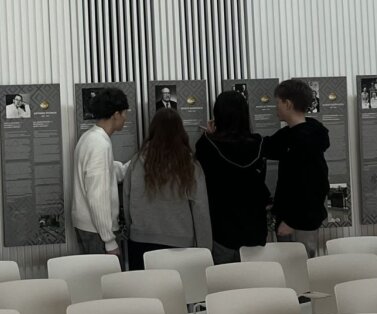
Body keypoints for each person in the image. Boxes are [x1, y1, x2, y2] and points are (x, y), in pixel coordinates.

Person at [123, 108, 211, 269]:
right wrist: (205, 248)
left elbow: (127, 200)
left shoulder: (136, 162)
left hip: (141, 242)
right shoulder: (190, 165)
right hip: (180, 244)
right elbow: (200, 208)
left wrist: (133, 231)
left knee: (144, 285)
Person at [195, 91, 270, 264]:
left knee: (224, 279)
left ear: (218, 115)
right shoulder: (258, 144)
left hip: (222, 229)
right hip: (254, 229)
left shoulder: (207, 146)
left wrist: (208, 136)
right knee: (257, 279)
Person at [263, 79, 329, 257]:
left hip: (299, 224)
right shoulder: (289, 135)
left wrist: (292, 222)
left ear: (288, 104)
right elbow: (266, 146)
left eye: (278, 102)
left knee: (299, 267)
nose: (276, 107)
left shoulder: (307, 140)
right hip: (290, 220)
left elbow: (314, 187)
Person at [72, 86, 129, 263]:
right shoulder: (99, 144)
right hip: (97, 232)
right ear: (116, 114)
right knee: (107, 278)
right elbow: (97, 195)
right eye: (124, 113)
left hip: (91, 228)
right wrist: (109, 241)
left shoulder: (91, 137)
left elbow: (110, 172)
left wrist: (137, 161)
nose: (126, 118)